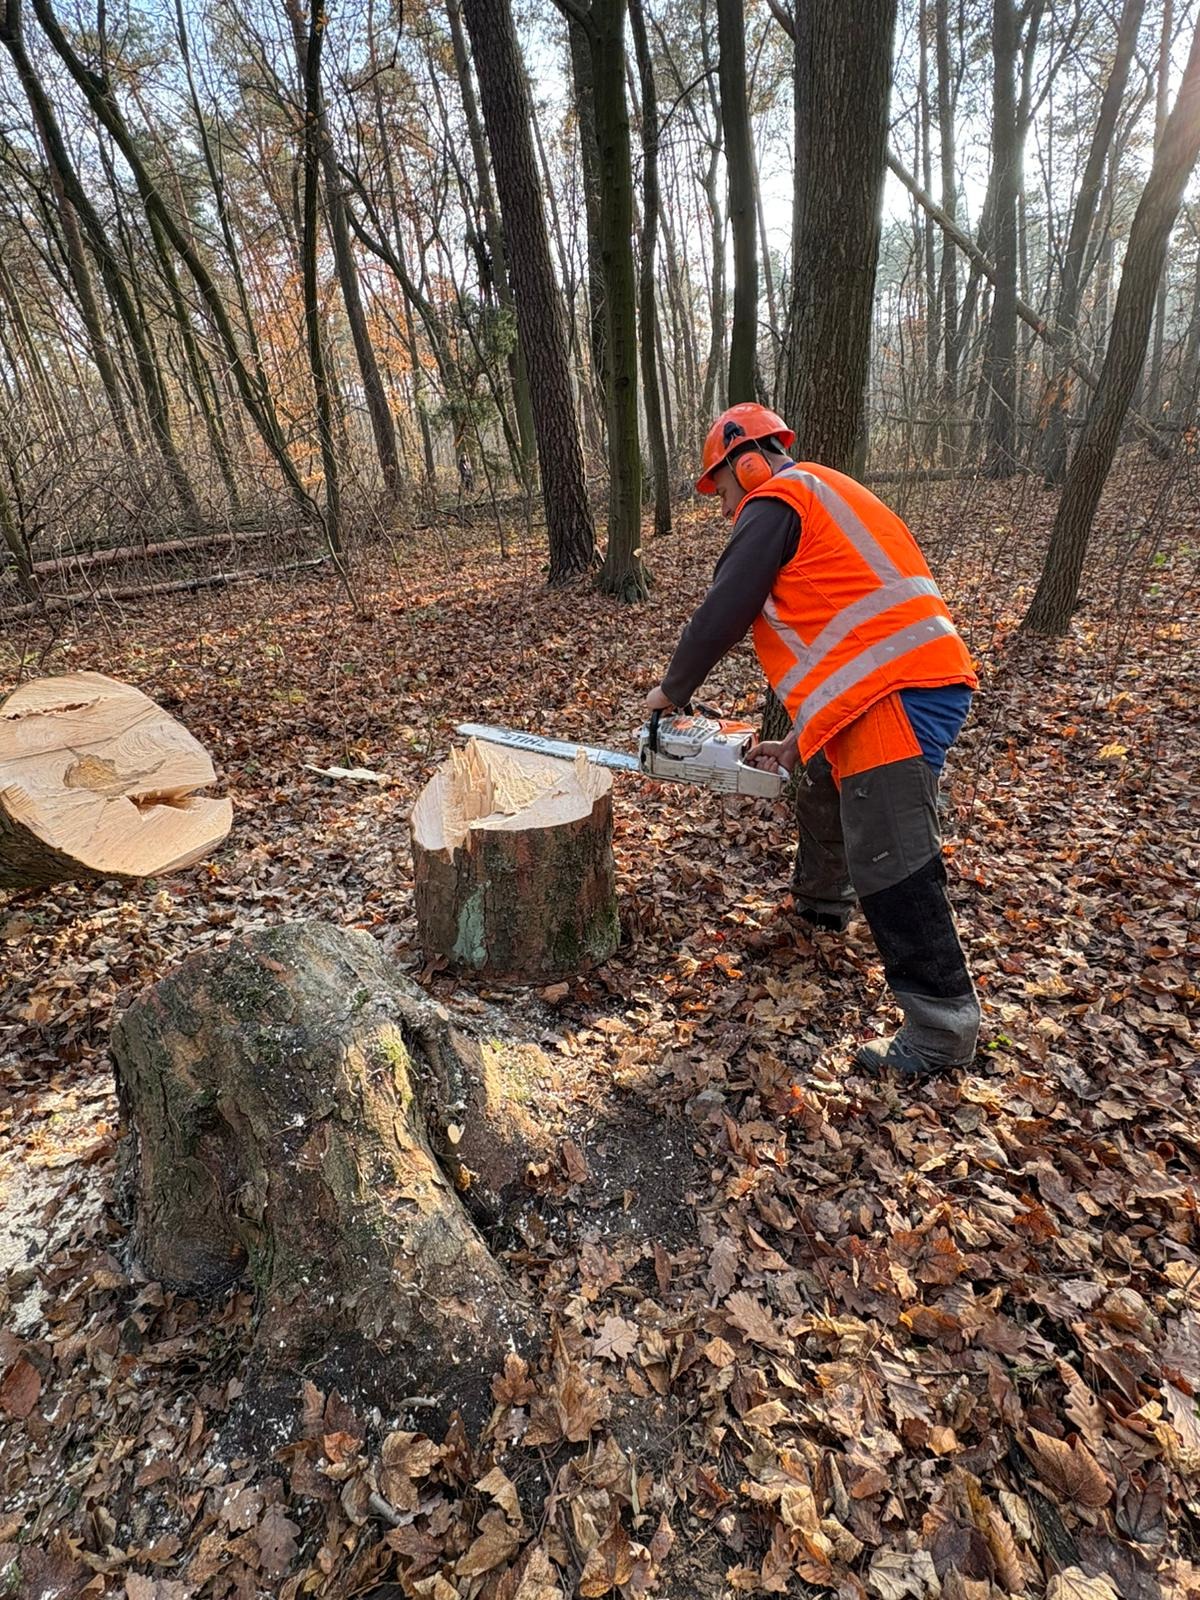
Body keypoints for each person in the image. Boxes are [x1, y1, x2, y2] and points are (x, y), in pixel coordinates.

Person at [645, 403, 980, 1080]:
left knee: (891, 850)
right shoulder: (818, 496)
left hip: (897, 690)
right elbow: (849, 637)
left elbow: (724, 609)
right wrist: (798, 743)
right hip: (886, 682)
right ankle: (823, 907)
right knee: (829, 785)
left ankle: (943, 1026)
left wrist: (671, 691)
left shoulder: (777, 501)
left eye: (723, 492)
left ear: (747, 463)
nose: (724, 510)